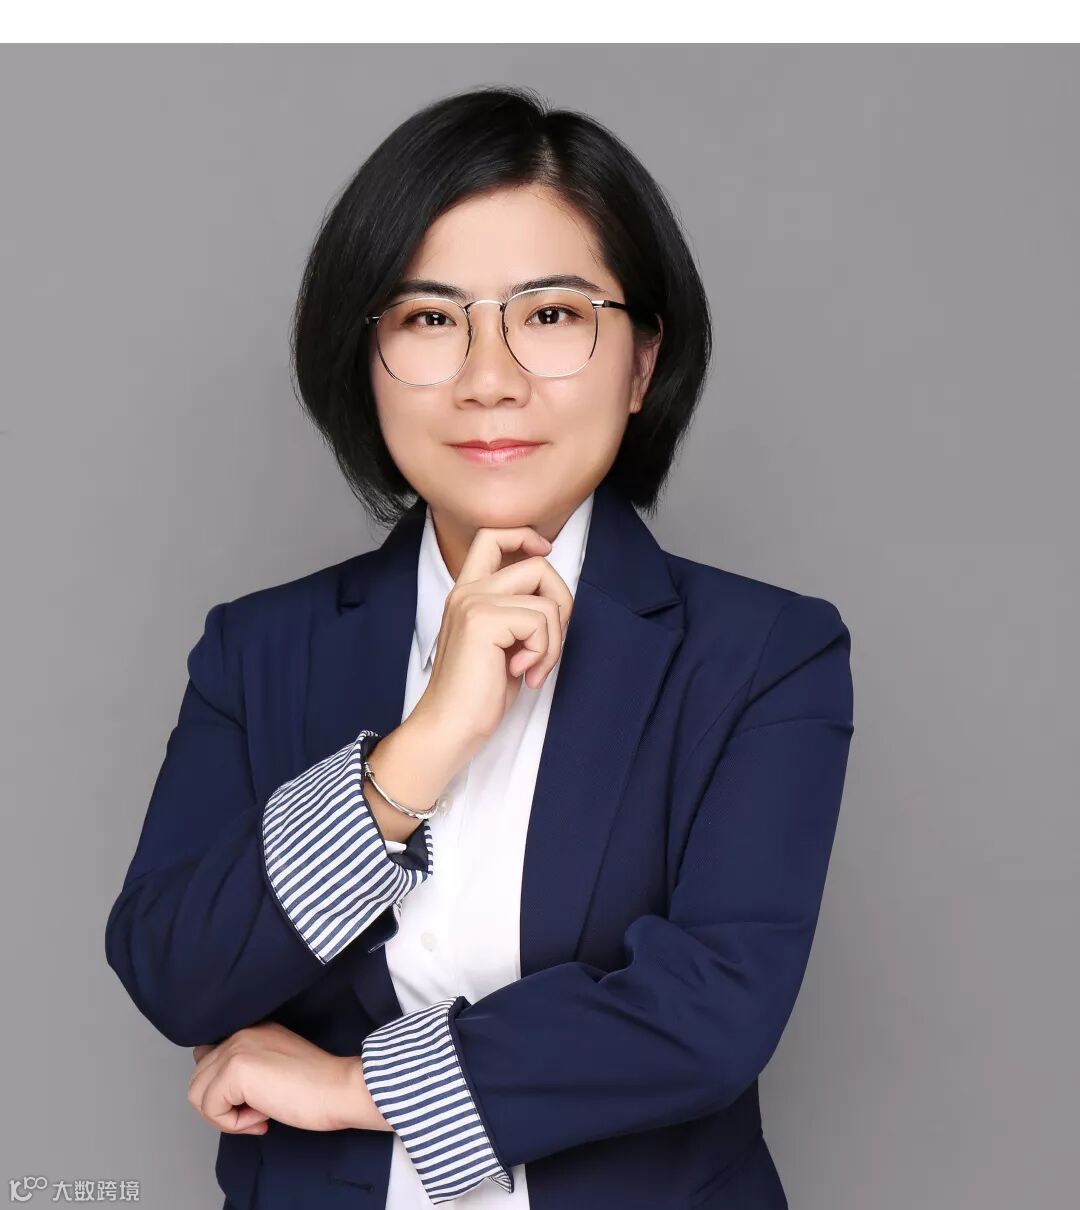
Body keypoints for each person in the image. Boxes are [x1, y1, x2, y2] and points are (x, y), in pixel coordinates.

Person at [104, 85, 855, 1210]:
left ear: (642, 363)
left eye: (550, 316)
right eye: (429, 319)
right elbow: (174, 970)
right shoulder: (257, 649)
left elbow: (708, 1012)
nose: (489, 377)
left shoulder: (763, 656)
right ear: (365, 358)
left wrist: (356, 1087)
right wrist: (420, 749)